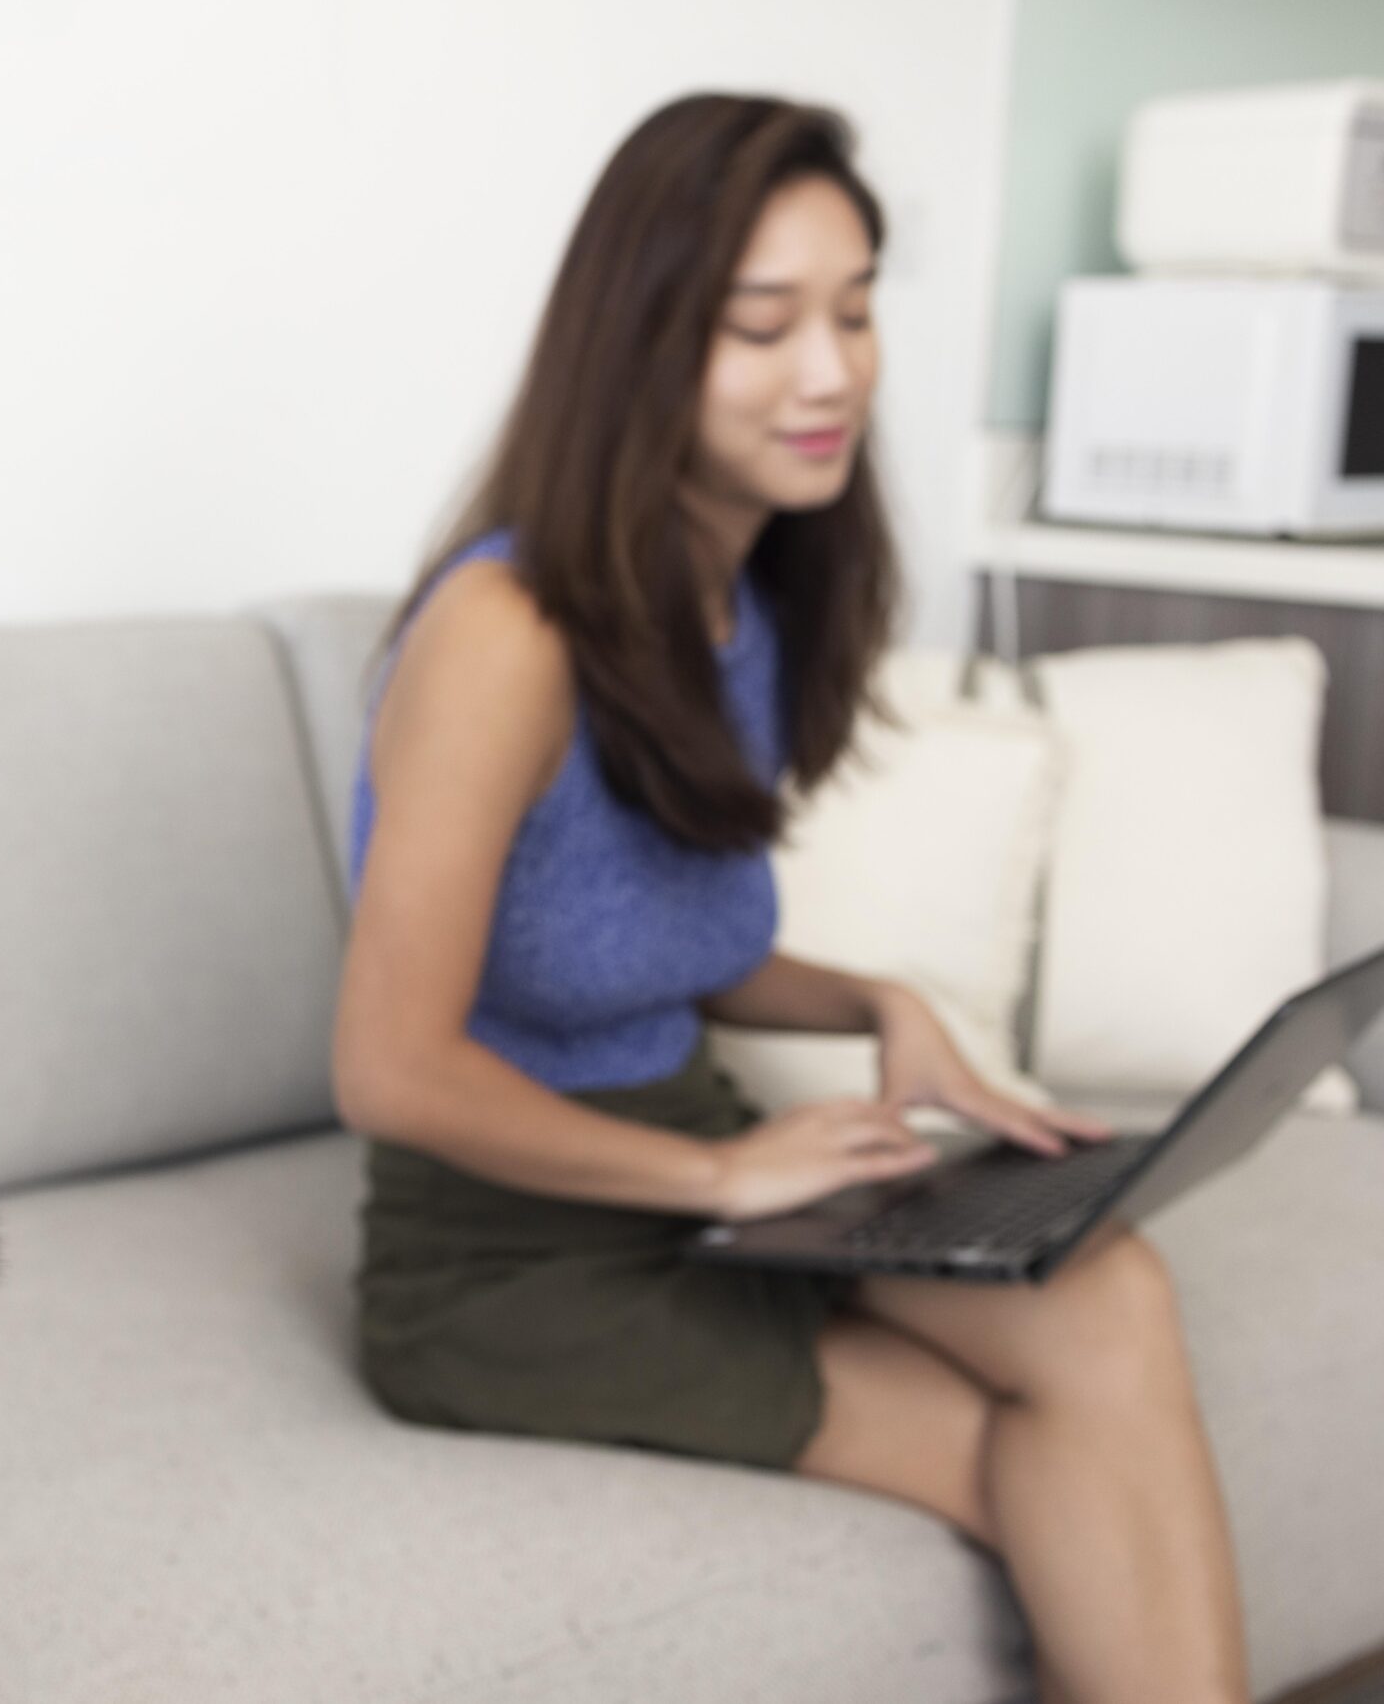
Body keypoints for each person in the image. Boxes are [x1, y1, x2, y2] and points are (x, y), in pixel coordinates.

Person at [329, 93, 1249, 1704]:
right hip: (500, 1259)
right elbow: (389, 1070)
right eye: (763, 325)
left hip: (690, 1162)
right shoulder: (507, 637)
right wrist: (734, 1175)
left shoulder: (737, 594)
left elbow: (657, 936)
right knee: (1021, 1446)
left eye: (855, 306)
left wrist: (887, 1006)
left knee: (1106, 1294)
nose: (831, 371)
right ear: (640, 342)